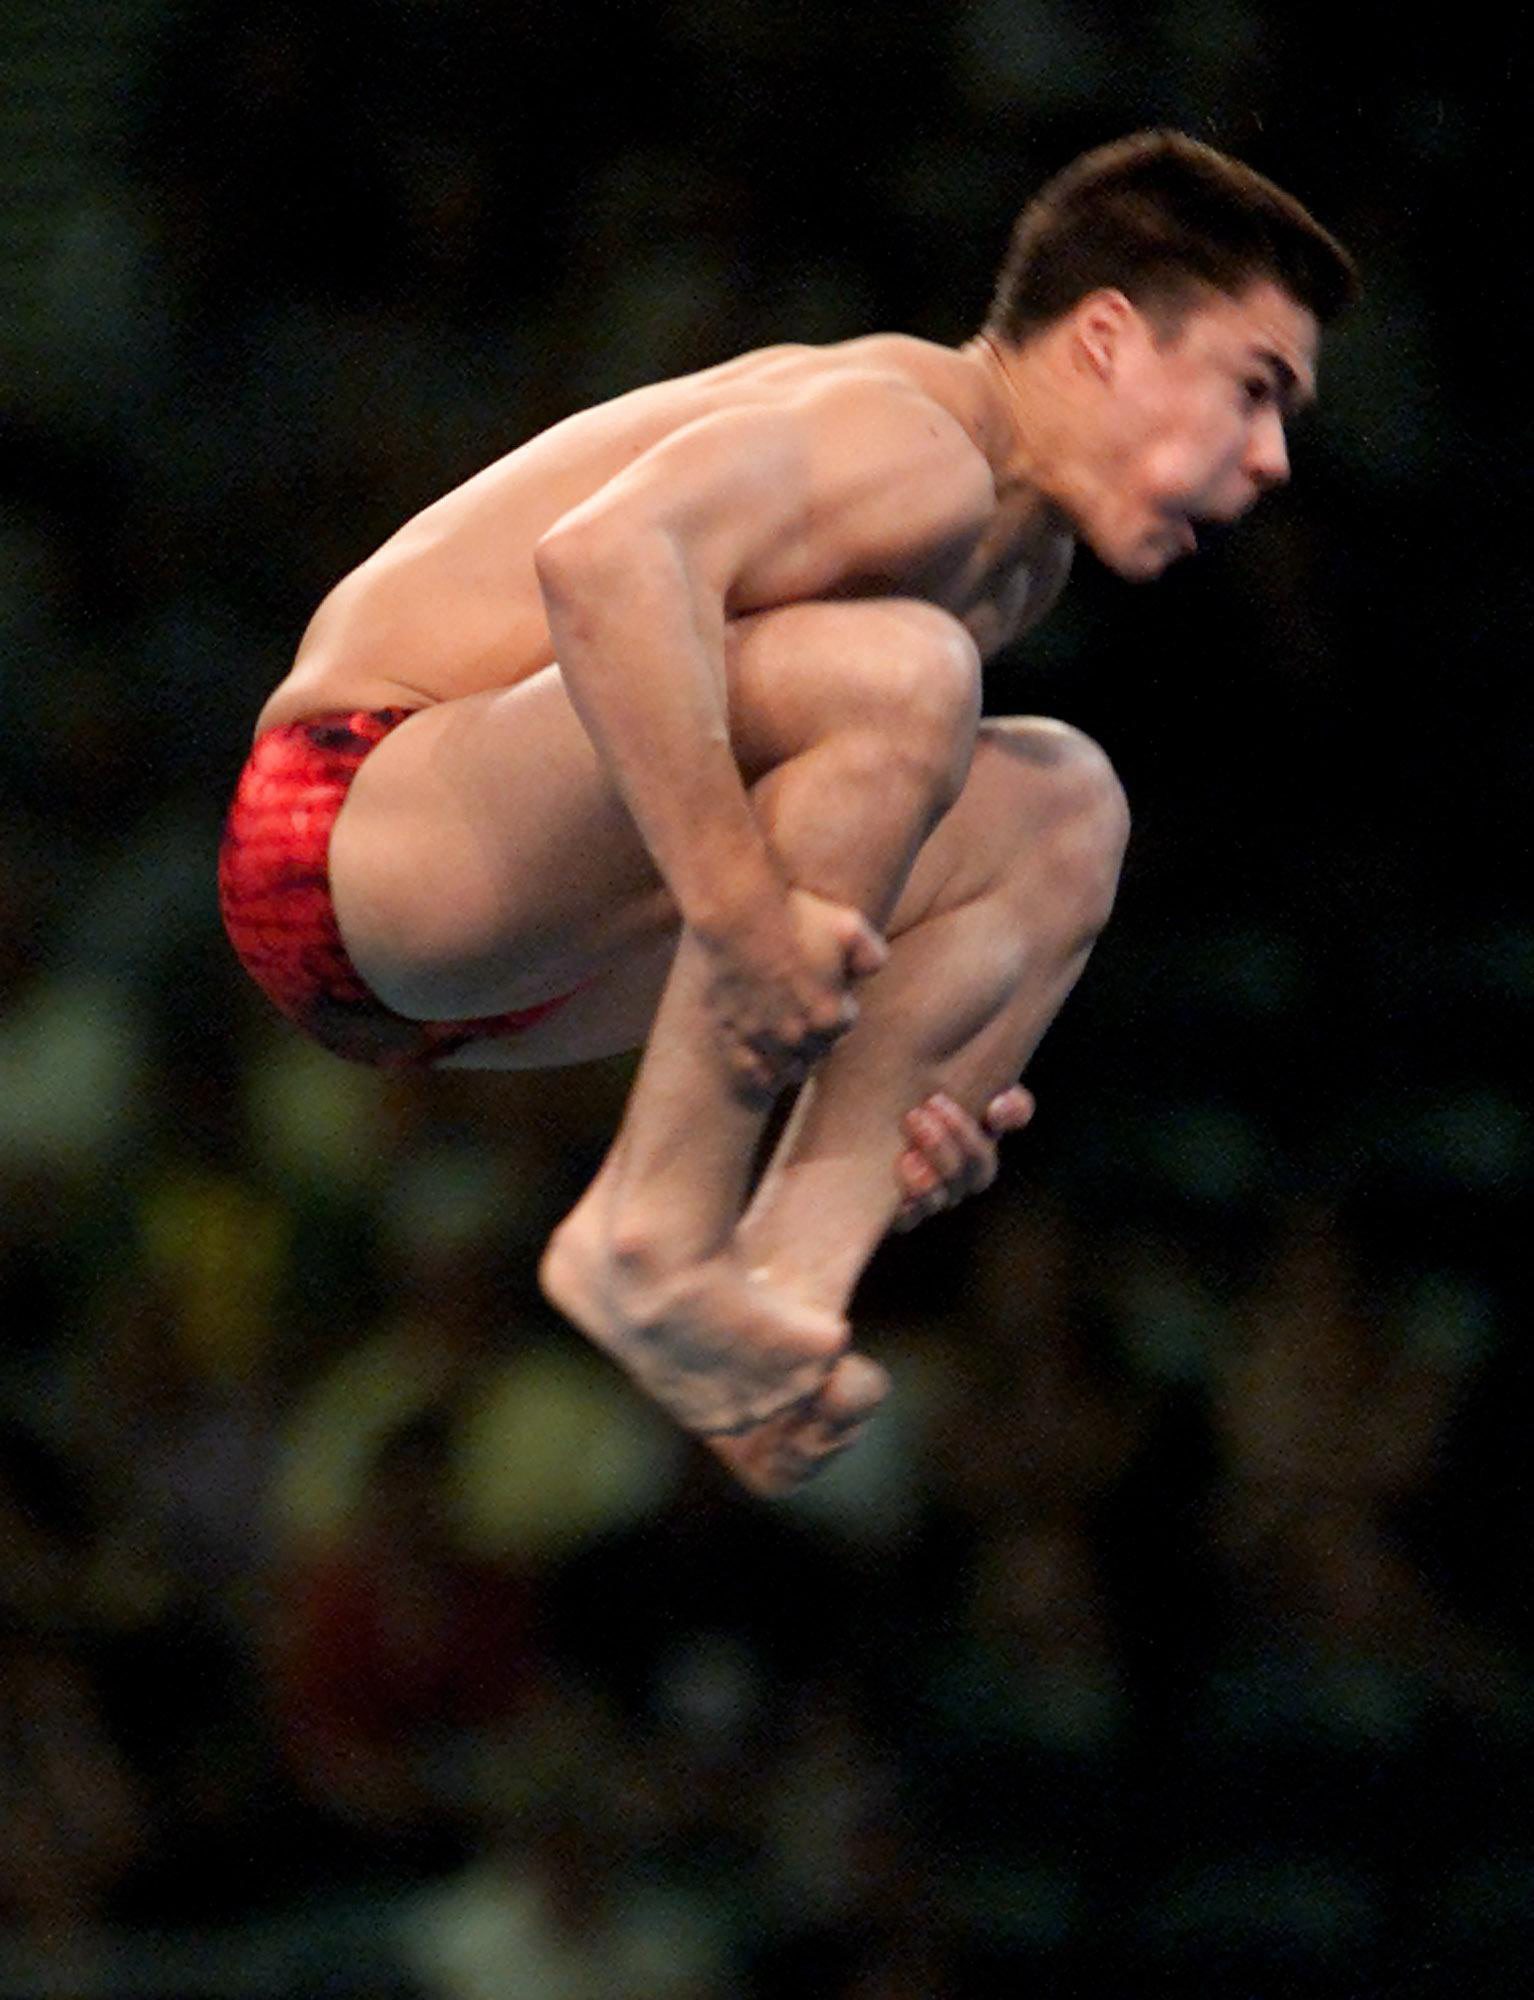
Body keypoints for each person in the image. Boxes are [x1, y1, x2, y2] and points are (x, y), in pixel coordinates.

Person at [220, 130, 1357, 1496]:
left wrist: (903, 1078)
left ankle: (767, 1324)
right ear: (1108, 336)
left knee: (1064, 809)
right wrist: (736, 907)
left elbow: (818, 834)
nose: (1273, 458)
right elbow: (601, 564)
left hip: (500, 966)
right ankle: (655, 1230)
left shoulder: (1021, 568)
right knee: (905, 676)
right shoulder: (907, 432)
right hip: (351, 820)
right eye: (1253, 390)